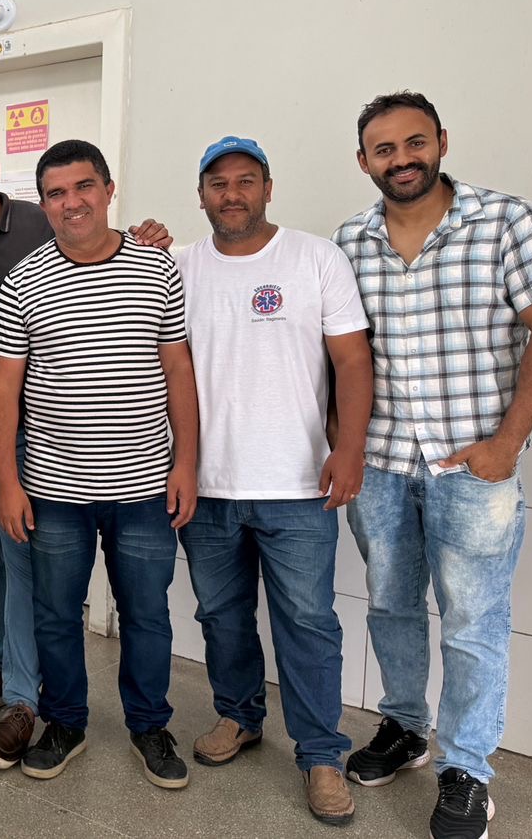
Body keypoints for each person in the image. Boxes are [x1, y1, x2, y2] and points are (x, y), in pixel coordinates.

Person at [332, 92, 532, 839]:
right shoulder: (350, 242)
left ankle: (467, 767)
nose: (402, 159)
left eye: (414, 142)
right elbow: (341, 355)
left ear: (440, 141)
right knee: (390, 606)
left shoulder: (506, 221)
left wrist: (507, 444)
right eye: (384, 149)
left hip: (474, 469)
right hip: (381, 464)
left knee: (472, 621)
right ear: (364, 161)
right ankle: (405, 727)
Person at [0, 118, 175, 766]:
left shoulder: (42, 223)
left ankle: (30, 698)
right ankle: (8, 674)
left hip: (59, 442)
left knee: (46, 576)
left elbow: (106, 253)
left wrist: (147, 235)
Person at [0, 139, 198, 789]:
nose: (71, 202)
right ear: (43, 203)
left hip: (145, 487)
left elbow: (178, 371)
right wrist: (7, 483)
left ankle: (149, 725)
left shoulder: (157, 268)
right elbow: (3, 390)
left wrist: (187, 463)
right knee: (56, 616)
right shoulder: (24, 281)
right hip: (54, 490)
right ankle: (66, 722)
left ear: (109, 190)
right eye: (55, 193)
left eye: (83, 187)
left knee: (147, 615)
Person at [177, 136, 373, 825]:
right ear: (201, 195)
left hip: (298, 485)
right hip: (207, 486)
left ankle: (321, 754)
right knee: (220, 615)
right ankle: (239, 715)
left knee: (308, 621)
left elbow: (352, 361)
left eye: (245, 181)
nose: (231, 194)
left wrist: (349, 448)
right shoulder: (178, 267)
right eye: (218, 183)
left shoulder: (315, 257)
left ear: (267, 187)